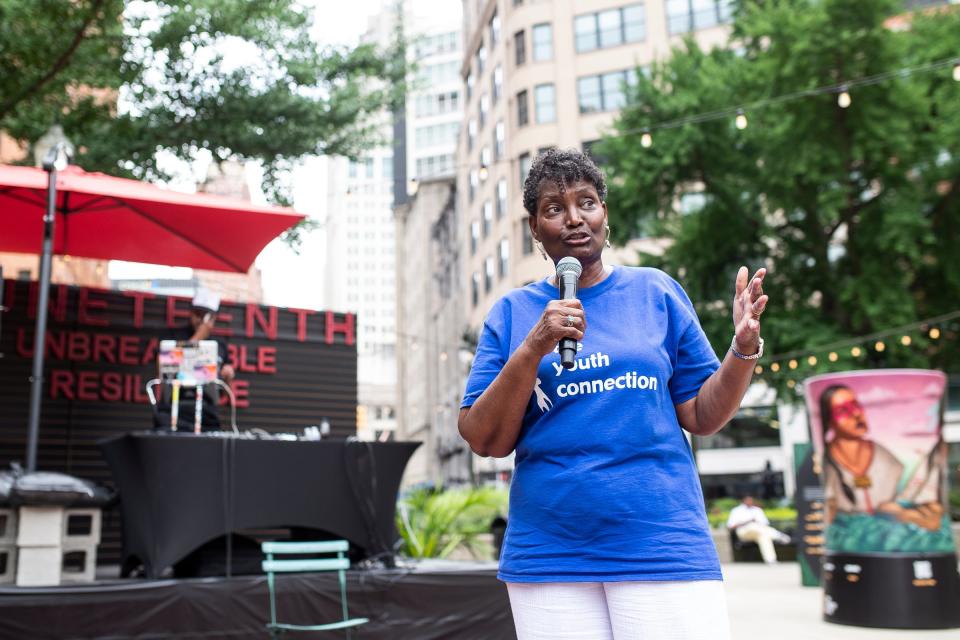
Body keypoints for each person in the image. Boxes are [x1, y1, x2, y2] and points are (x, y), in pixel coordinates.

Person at [458, 149, 769, 640]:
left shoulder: (657, 293)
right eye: (554, 208)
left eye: (587, 202)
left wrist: (742, 348)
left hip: (662, 541)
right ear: (535, 228)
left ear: (605, 213)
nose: (575, 218)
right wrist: (535, 344)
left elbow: (702, 414)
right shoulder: (512, 313)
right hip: (551, 549)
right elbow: (484, 437)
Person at [820, 385, 943, 531]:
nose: (855, 414)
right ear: (829, 421)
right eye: (843, 411)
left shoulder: (890, 463)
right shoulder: (824, 463)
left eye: (855, 405)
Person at [153, 288, 235, 431]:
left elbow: (223, 393)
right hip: (172, 411)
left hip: (207, 414)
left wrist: (227, 377)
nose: (201, 320)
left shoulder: (219, 345)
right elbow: (163, 370)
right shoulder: (172, 335)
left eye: (207, 316)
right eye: (198, 314)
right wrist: (197, 338)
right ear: (190, 313)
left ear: (214, 318)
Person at [726, 495, 791, 564]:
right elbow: (730, 526)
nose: (750, 502)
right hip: (743, 532)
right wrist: (747, 522)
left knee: (763, 537)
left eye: (751, 500)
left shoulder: (757, 510)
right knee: (752, 526)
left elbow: (765, 524)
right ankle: (778, 535)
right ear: (744, 501)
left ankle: (770, 560)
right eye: (748, 500)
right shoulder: (736, 511)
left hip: (760, 531)